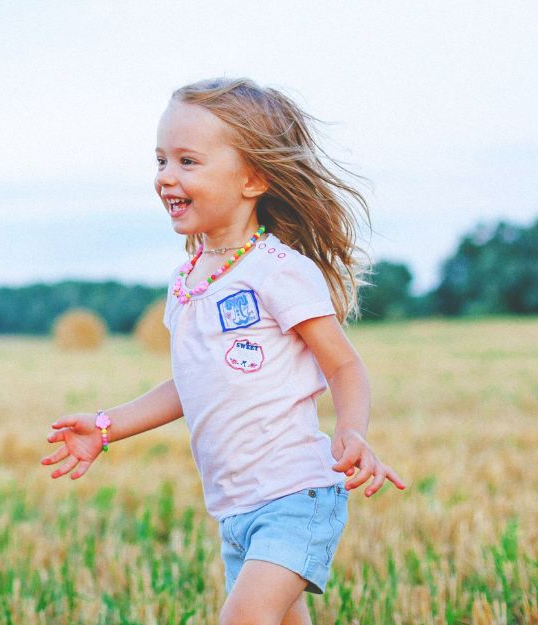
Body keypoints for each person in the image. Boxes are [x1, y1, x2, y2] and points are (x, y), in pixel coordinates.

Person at [40, 77, 407, 625]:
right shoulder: (186, 282)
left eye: (188, 161)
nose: (166, 176)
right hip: (235, 509)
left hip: (295, 496)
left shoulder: (279, 271)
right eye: (161, 160)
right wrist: (107, 425)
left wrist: (351, 431)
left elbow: (343, 364)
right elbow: (191, 383)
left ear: (252, 178)